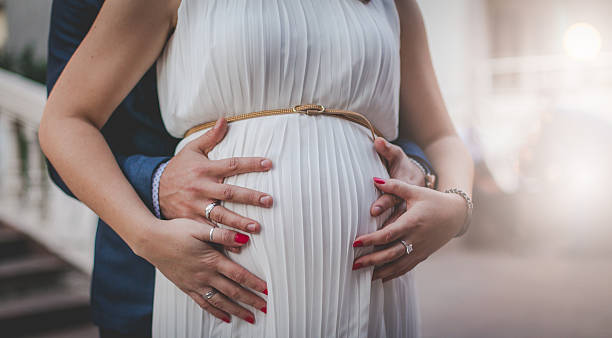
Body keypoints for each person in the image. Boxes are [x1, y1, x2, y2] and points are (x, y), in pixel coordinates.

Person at [44, 0, 443, 337]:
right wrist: (148, 228)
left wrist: (451, 203)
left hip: (369, 281)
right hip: (208, 273)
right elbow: (66, 121)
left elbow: (432, 134)